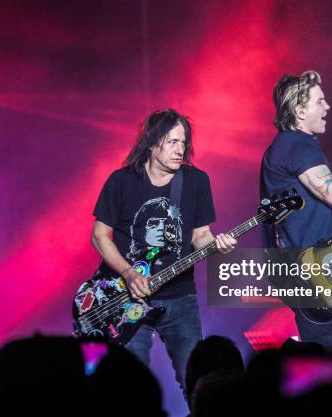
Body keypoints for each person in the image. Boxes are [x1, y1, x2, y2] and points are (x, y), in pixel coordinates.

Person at [91, 108, 237, 392]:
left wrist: (217, 246)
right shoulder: (121, 182)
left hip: (179, 296)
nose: (180, 149)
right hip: (127, 299)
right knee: (131, 387)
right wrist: (128, 273)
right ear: (152, 143)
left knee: (196, 380)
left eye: (183, 142)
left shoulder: (196, 181)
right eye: (172, 142)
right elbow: (99, 236)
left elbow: (201, 236)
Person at [260, 71, 332, 350]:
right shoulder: (295, 145)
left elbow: (320, 205)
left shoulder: (297, 144)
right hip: (308, 272)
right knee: (329, 356)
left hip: (312, 268)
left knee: (329, 349)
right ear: (300, 111)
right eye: (320, 101)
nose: (328, 107)